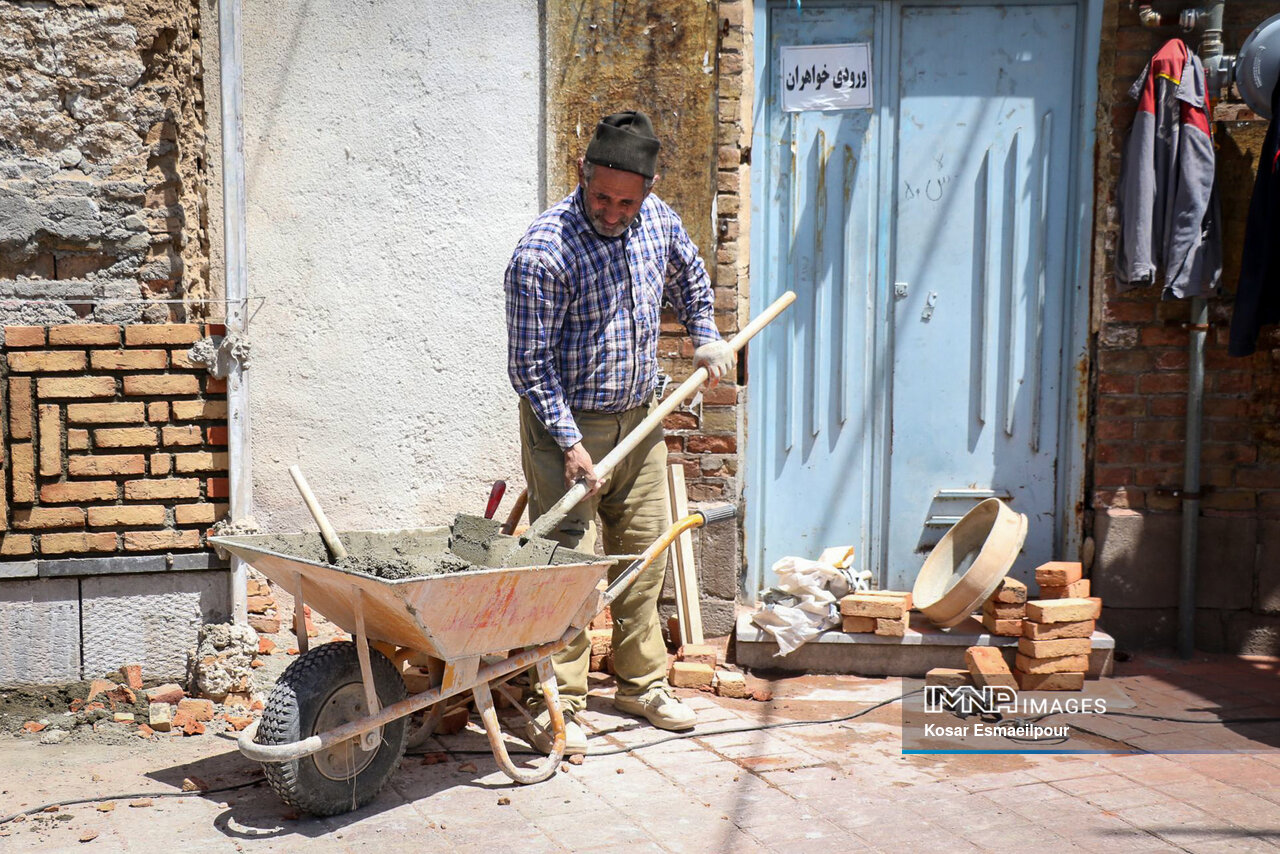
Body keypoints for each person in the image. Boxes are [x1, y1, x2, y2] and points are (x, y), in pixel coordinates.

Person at [504, 110, 734, 754]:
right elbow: (529, 364)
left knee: (643, 555)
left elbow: (689, 272)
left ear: (650, 189)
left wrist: (706, 336)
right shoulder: (543, 251)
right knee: (569, 565)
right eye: (600, 196)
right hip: (566, 428)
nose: (610, 211)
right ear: (583, 173)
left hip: (643, 419)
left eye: (625, 201)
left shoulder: (655, 220)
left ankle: (641, 684)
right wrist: (571, 445)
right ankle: (560, 701)